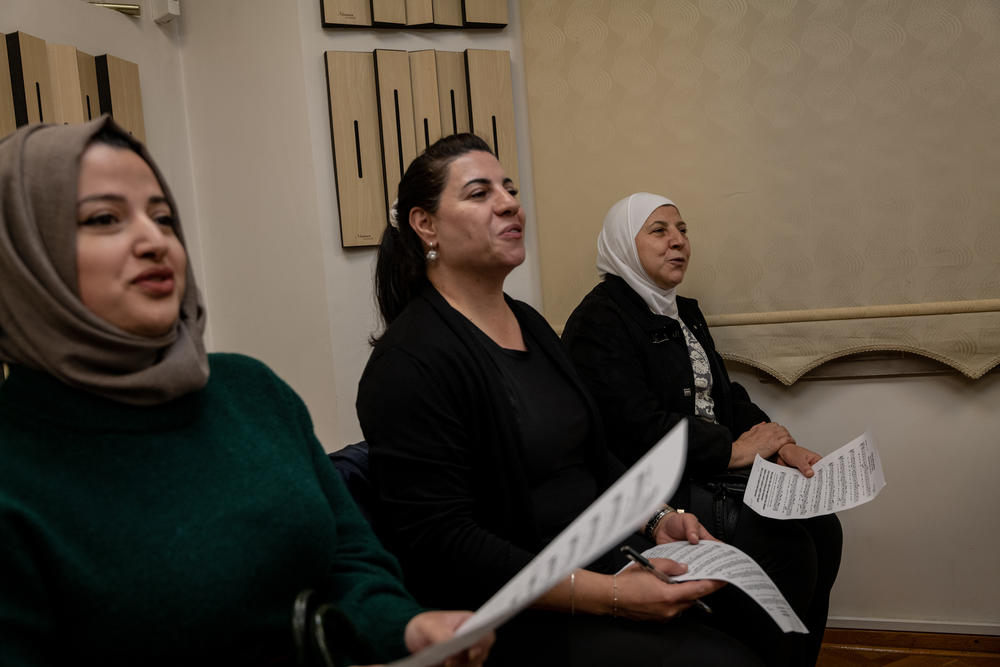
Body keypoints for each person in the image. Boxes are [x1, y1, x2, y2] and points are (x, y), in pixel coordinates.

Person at [0, 117, 491, 667]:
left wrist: (405, 627)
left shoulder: (250, 392)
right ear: (24, 255)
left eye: (164, 217)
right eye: (105, 219)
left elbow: (349, 556)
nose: (154, 241)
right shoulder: (18, 465)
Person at [356, 134, 769, 666]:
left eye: (508, 189)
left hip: (601, 557)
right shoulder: (408, 362)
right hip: (511, 608)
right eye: (480, 194)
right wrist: (612, 596)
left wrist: (658, 518)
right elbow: (447, 544)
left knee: (755, 607)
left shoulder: (528, 322)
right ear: (425, 225)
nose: (509, 203)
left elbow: (593, 455)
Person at [562, 192, 843, 665]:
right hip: (653, 486)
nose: (678, 241)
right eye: (659, 231)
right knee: (785, 548)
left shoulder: (682, 310)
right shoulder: (599, 321)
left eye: (683, 230)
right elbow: (634, 430)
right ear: (623, 246)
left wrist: (780, 445)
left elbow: (724, 397)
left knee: (823, 526)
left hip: (707, 468)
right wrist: (733, 453)